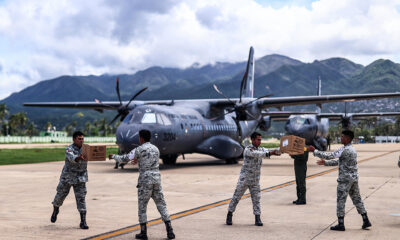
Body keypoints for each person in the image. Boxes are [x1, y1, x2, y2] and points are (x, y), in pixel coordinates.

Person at [109, 129, 175, 240]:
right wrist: (137, 160)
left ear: (141, 138)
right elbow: (147, 160)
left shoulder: (139, 149)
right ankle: (170, 230)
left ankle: (143, 232)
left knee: (142, 206)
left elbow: (125, 159)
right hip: (156, 178)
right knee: (161, 204)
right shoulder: (156, 149)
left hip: (145, 179)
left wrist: (114, 156)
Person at [307, 130, 371, 231]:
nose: (341, 138)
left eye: (342, 137)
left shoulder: (344, 150)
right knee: (357, 199)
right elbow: (340, 162)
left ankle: (341, 224)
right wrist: (326, 163)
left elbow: (330, 155)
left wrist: (314, 151)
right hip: (353, 179)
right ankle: (365, 219)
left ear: (347, 138)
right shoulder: (352, 149)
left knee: (341, 201)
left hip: (345, 180)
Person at [226, 132, 280, 226]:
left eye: (260, 139)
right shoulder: (248, 149)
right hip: (245, 180)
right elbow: (258, 154)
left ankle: (257, 218)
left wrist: (281, 150)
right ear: (253, 140)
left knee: (256, 199)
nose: (260, 141)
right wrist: (271, 153)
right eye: (258, 139)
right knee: (236, 197)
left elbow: (268, 150)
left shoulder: (261, 148)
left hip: (255, 180)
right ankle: (229, 214)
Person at [51, 131, 89, 229]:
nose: (81, 141)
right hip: (67, 177)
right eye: (79, 139)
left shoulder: (86, 149)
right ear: (74, 139)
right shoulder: (69, 148)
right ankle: (56, 209)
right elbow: (72, 158)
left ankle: (83, 221)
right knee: (60, 196)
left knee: (81, 199)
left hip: (80, 177)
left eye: (82, 139)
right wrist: (78, 157)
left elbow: (95, 155)